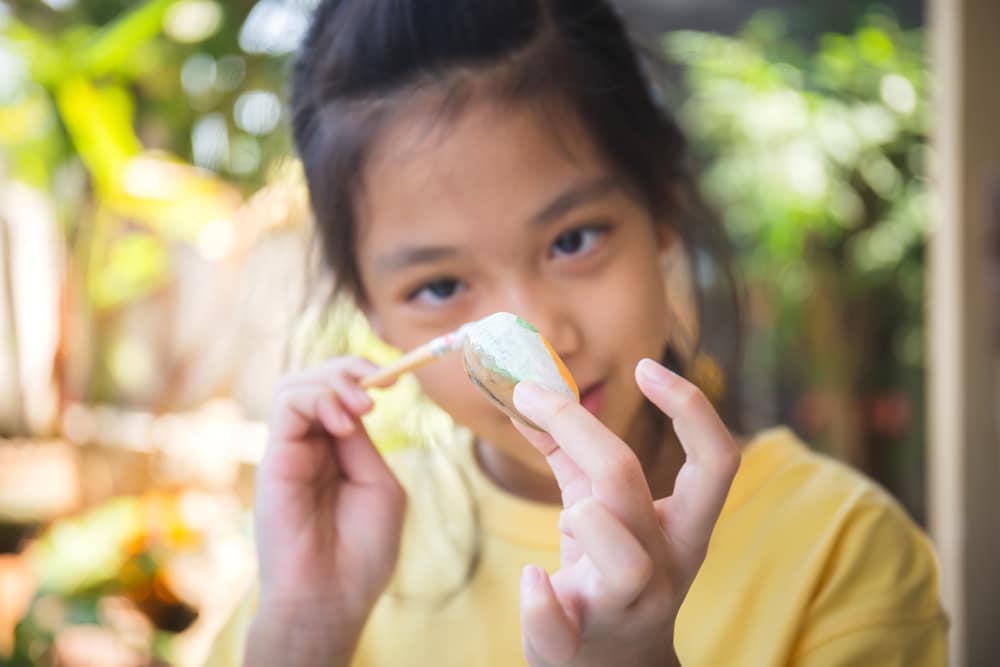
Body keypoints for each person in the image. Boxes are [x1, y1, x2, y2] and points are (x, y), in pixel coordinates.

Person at [204, 1, 946, 665]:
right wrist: (304, 632)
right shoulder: (328, 568)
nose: (544, 345)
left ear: (660, 207)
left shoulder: (840, 551)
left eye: (574, 239)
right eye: (438, 286)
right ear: (372, 313)